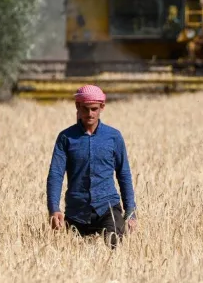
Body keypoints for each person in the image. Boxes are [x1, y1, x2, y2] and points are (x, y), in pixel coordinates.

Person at [46, 84, 138, 249]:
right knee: (71, 255)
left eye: (94, 109)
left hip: (108, 207)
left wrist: (130, 212)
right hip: (77, 211)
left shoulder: (114, 137)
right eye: (85, 109)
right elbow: (56, 174)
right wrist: (54, 209)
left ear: (102, 107)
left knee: (114, 248)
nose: (90, 114)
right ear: (77, 106)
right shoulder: (65, 138)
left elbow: (123, 174)